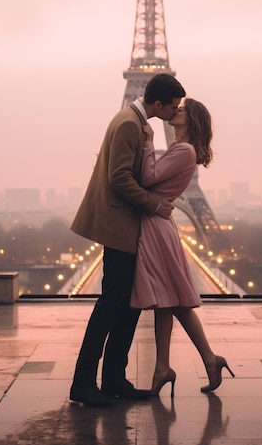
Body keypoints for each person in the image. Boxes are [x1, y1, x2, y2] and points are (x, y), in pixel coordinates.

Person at [69, 73, 186, 407]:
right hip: (119, 226)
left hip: (126, 226)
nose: (175, 111)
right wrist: (154, 204)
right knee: (110, 306)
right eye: (173, 106)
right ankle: (83, 383)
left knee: (126, 305)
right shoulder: (128, 124)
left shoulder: (136, 122)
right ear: (158, 102)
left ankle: (113, 379)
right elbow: (118, 176)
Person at [130, 98, 235, 396]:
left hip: (155, 227)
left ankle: (203, 359)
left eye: (181, 109)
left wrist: (149, 141)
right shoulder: (183, 149)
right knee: (167, 300)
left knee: (172, 300)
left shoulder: (184, 150)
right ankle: (170, 366)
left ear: (192, 119)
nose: (175, 110)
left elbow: (148, 177)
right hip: (157, 225)